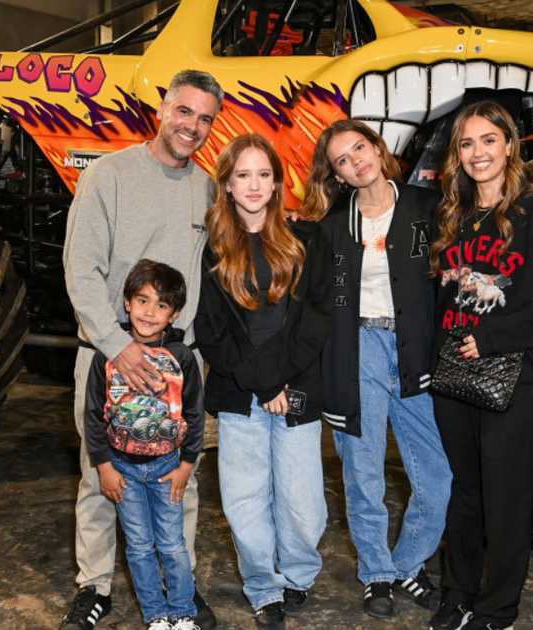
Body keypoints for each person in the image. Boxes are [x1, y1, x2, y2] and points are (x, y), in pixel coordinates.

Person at [60, 69, 223, 630]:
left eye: (205, 119)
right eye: (184, 111)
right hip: (109, 354)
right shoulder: (108, 176)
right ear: (162, 110)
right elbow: (81, 271)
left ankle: (181, 588)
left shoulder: (208, 191)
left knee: (180, 480)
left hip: (176, 362)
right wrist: (117, 347)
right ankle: (95, 585)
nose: (192, 126)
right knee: (101, 475)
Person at [428, 101, 533, 630]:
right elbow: (439, 296)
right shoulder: (451, 214)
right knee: (464, 492)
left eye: (489, 140)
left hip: (511, 376)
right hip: (452, 377)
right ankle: (457, 594)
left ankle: (497, 609)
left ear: (510, 145)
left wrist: (492, 338)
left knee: (505, 498)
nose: (478, 153)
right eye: (467, 143)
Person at [303, 120, 451, 620]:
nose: (355, 162)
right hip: (357, 349)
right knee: (363, 473)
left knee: (437, 476)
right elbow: (317, 304)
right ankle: (377, 574)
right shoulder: (331, 227)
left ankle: (407, 563)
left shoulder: (427, 207)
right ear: (337, 174)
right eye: (342, 160)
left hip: (414, 351)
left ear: (377, 148)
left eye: (359, 148)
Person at [194, 134, 333, 630]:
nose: (253, 185)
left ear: (277, 183)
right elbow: (211, 332)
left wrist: (278, 381)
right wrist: (262, 385)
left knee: (303, 504)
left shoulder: (306, 240)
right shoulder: (211, 250)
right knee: (245, 500)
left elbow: (316, 319)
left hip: (296, 389)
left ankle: (298, 573)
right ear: (228, 185)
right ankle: (263, 587)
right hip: (241, 395)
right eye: (243, 175)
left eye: (263, 174)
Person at [84, 260, 204, 630]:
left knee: (172, 544)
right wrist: (104, 466)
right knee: (138, 546)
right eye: (142, 301)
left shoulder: (182, 357)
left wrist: (186, 465)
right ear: (127, 303)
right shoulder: (107, 355)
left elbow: (195, 413)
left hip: (168, 468)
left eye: (161, 305)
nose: (149, 312)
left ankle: (182, 612)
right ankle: (156, 616)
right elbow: (93, 415)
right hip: (123, 471)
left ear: (174, 314)